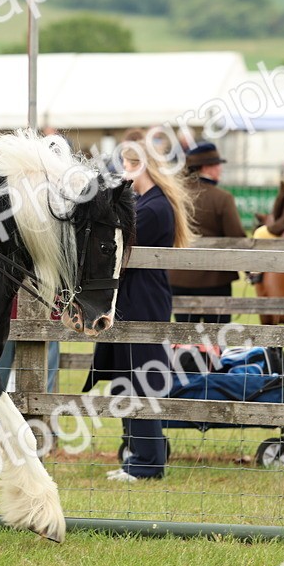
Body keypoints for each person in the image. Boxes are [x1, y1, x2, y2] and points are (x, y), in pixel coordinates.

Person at [84, 128, 194, 482]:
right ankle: (138, 452)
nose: (123, 171)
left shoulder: (155, 206)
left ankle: (147, 461)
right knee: (126, 378)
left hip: (143, 299)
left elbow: (119, 241)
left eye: (129, 164)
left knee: (140, 379)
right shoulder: (146, 202)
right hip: (134, 297)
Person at [169, 142, 246, 324]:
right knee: (217, 338)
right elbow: (237, 238)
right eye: (217, 164)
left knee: (185, 340)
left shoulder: (175, 196)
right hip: (215, 281)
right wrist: (251, 269)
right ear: (207, 167)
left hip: (179, 277)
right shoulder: (222, 198)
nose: (220, 169)